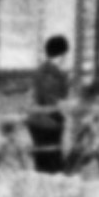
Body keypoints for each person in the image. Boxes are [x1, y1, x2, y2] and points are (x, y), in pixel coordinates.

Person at [29, 36, 74, 173]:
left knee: (45, 162)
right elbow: (52, 101)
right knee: (51, 166)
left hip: (41, 121)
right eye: (66, 54)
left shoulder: (47, 69)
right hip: (46, 123)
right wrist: (70, 105)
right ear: (62, 54)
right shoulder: (50, 73)